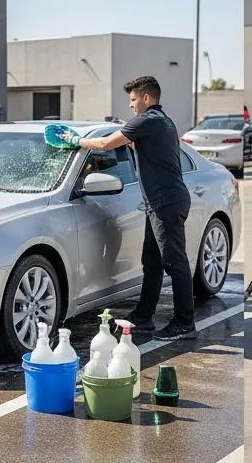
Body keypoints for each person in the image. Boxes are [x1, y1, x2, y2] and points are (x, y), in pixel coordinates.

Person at [75, 75, 196, 340]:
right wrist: (123, 129)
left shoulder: (148, 120)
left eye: (132, 99)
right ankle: (143, 318)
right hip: (161, 202)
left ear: (146, 98)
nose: (130, 105)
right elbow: (132, 140)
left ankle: (185, 323)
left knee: (174, 263)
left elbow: (107, 144)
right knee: (151, 263)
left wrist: (78, 141)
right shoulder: (161, 121)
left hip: (166, 202)